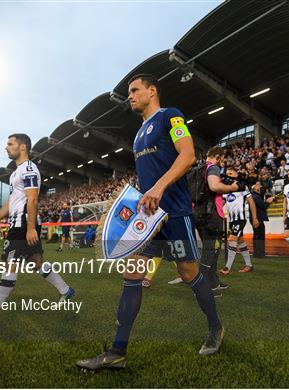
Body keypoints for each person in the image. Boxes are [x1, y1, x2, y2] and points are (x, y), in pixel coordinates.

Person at [76, 74, 224, 371]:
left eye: (134, 90)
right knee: (132, 276)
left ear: (151, 91)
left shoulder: (171, 116)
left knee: (188, 274)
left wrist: (159, 187)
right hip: (147, 219)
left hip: (176, 213)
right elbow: (147, 175)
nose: (129, 96)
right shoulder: (138, 133)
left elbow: (188, 155)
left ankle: (215, 327)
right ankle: (118, 352)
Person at [0, 134, 75, 325]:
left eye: (10, 144)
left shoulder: (29, 169)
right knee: (35, 262)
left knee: (9, 267)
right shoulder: (16, 172)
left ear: (22, 147)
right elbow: (11, 202)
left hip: (23, 225)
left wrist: (30, 228)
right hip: (20, 223)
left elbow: (32, 199)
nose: (6, 147)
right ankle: (66, 290)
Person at [197, 147, 240, 295]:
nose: (223, 162)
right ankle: (201, 288)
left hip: (199, 213)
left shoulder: (198, 168)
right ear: (217, 156)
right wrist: (232, 187)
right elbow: (214, 186)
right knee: (210, 250)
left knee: (213, 249)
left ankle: (213, 281)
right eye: (222, 159)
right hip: (211, 213)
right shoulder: (213, 168)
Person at [220, 167, 259, 275]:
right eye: (227, 173)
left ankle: (227, 268)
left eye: (231, 173)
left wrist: (255, 218)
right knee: (241, 242)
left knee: (232, 239)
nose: (228, 175)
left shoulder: (242, 187)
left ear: (237, 174)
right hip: (232, 220)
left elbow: (251, 202)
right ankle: (249, 265)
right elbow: (222, 203)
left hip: (240, 219)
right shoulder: (226, 189)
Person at [250, 182, 273, 258]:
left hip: (255, 218)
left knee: (256, 235)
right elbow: (263, 206)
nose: (260, 187)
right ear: (255, 189)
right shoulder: (255, 196)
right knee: (260, 236)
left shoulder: (255, 196)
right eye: (258, 186)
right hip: (257, 218)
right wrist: (268, 202)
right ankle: (260, 253)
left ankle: (256, 253)